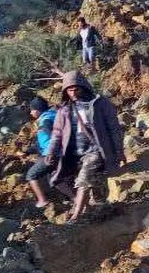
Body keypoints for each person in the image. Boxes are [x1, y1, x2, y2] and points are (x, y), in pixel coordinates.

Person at [44, 71, 124, 222]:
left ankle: (76, 215)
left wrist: (119, 150)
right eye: (70, 90)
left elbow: (114, 128)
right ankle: (101, 208)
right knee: (94, 182)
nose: (73, 93)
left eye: (76, 89)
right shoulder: (64, 109)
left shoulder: (100, 104)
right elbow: (57, 133)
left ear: (84, 87)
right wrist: (51, 152)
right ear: (65, 91)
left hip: (96, 150)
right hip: (74, 153)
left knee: (84, 179)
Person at [26, 96, 59, 208]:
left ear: (37, 110)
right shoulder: (54, 116)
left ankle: (42, 200)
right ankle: (75, 199)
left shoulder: (45, 121)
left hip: (51, 154)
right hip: (62, 152)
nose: (31, 113)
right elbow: (42, 142)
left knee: (31, 175)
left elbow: (48, 141)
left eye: (32, 110)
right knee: (55, 179)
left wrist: (50, 154)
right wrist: (28, 151)